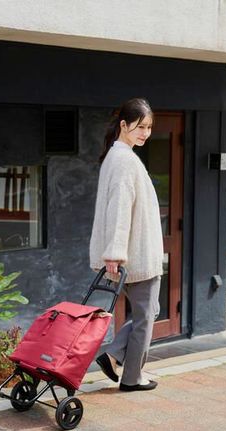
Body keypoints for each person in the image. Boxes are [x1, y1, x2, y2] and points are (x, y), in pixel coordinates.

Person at [89, 98, 163, 392]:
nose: (145, 133)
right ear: (124, 124)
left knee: (149, 311)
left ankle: (114, 355)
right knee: (146, 316)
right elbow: (119, 209)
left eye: (149, 127)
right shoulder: (124, 160)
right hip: (135, 255)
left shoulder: (118, 155)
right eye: (140, 126)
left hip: (130, 253)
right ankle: (132, 377)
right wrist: (115, 253)